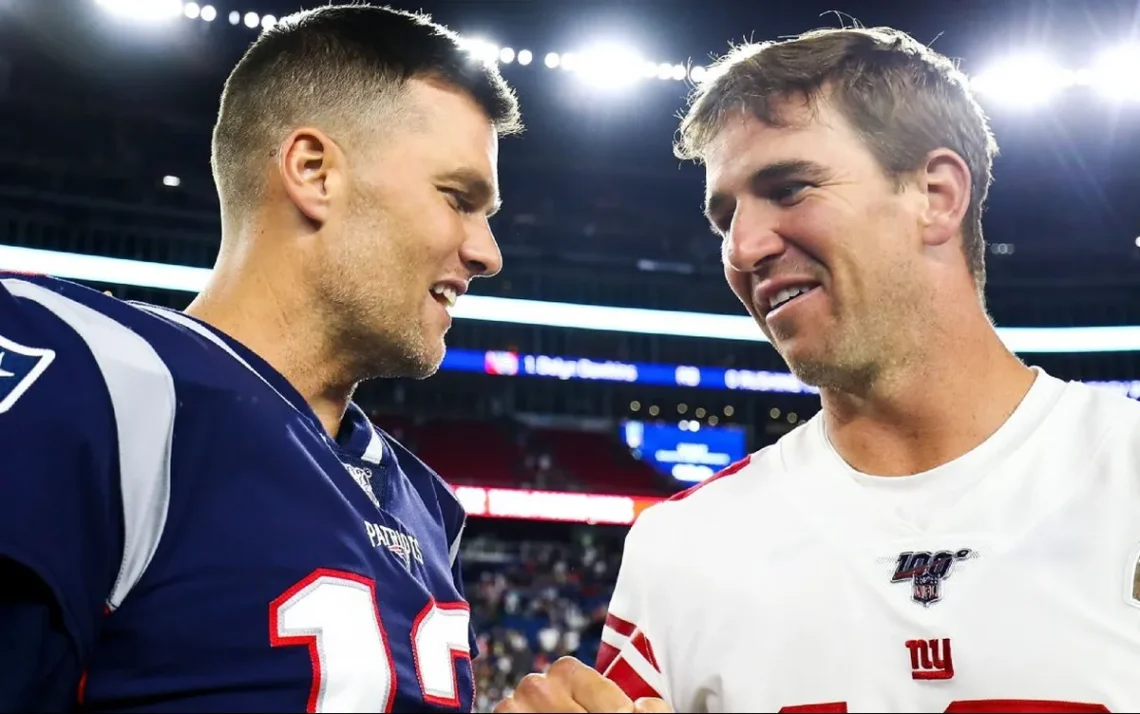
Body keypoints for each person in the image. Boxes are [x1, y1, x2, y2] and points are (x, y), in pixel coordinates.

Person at [495, 26, 1140, 714]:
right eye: (725, 219)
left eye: (790, 187)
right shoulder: (683, 547)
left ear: (937, 194)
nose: (743, 248)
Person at [0, 3, 521, 711]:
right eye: (459, 198)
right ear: (314, 171)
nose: (486, 253)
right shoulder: (90, 378)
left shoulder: (426, 506)